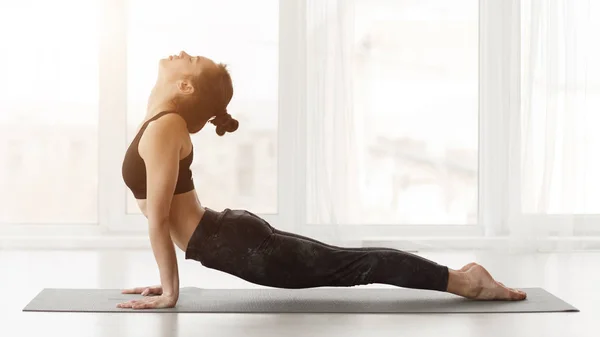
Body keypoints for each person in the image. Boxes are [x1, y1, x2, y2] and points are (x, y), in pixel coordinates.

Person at [117, 51, 527, 310]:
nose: (183, 53)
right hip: (232, 239)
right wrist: (166, 281)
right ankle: (462, 276)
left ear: (184, 85)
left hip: (239, 245)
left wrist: (171, 293)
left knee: (356, 265)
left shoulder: (166, 127)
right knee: (351, 262)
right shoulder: (163, 125)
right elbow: (167, 217)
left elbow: (158, 220)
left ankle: (467, 283)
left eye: (190, 60)